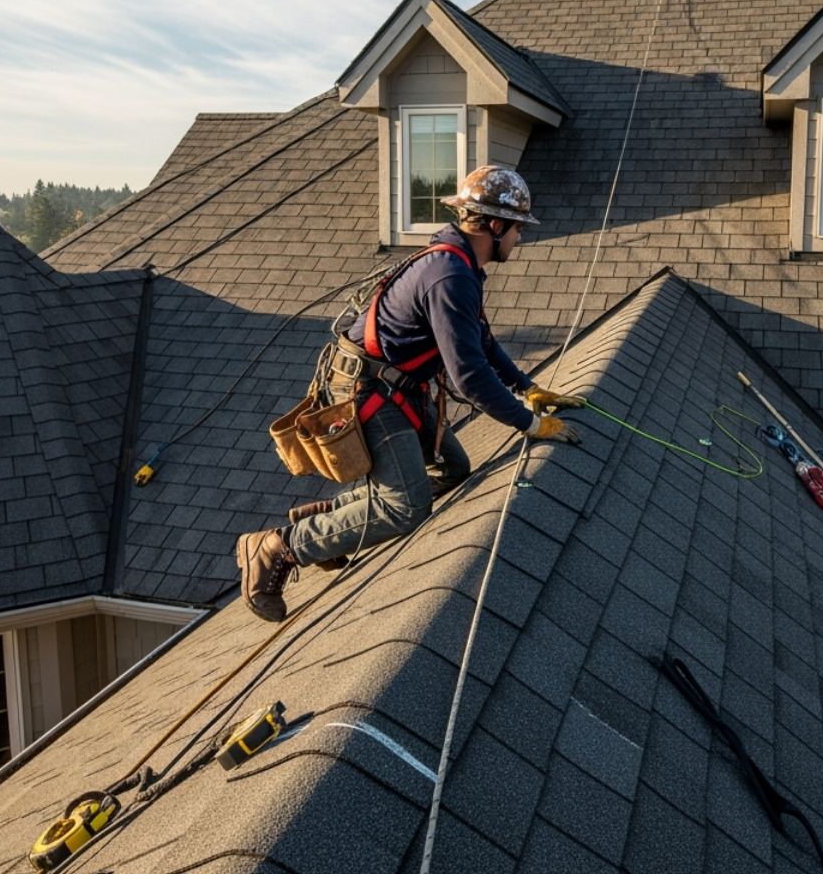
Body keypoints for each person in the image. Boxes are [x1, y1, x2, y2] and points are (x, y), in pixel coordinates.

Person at [237, 165, 585, 621]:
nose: (521, 238)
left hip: (393, 386)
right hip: (369, 393)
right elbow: (470, 377)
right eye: (518, 228)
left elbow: (480, 340)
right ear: (496, 225)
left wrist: (528, 387)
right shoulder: (449, 275)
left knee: (454, 466)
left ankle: (323, 522)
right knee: (405, 509)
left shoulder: (459, 264)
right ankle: (278, 547)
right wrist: (532, 425)